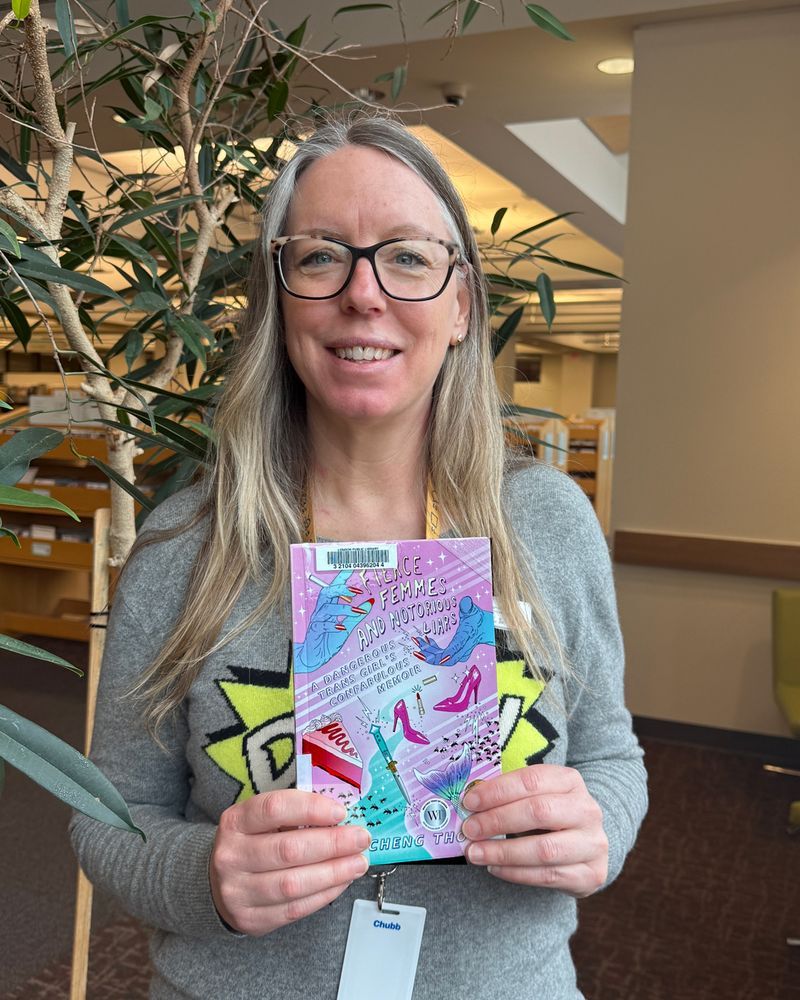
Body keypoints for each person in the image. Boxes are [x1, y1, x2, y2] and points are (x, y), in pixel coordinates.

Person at [70, 113, 647, 1000]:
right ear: (277, 297)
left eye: (408, 256)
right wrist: (207, 876)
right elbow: (108, 815)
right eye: (321, 255)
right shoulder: (188, 547)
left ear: (461, 307)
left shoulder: (548, 523)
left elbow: (611, 753)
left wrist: (596, 825)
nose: (364, 295)